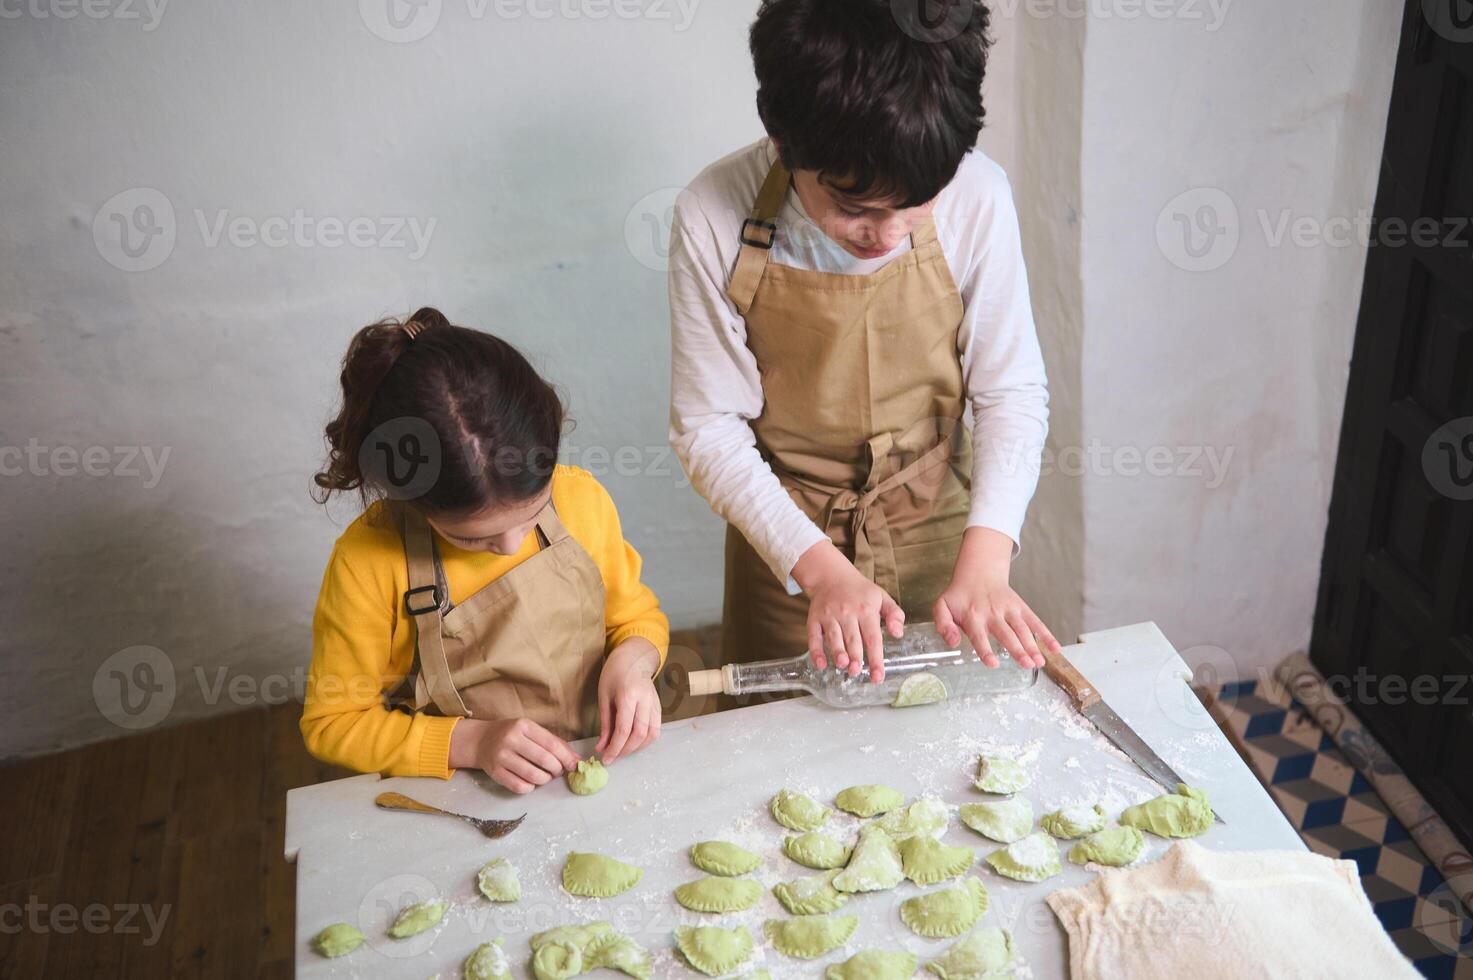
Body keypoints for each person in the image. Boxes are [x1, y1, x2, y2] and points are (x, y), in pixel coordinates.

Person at [668, 0, 1060, 694]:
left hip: (942, 524)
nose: (885, 233)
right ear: (784, 143)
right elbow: (707, 427)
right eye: (853, 207)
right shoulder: (714, 211)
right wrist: (820, 571)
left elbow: (1010, 391)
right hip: (790, 543)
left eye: (916, 203)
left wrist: (986, 562)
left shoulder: (977, 195)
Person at [302, 307, 667, 793]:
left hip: (603, 759)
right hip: (475, 794)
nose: (510, 546)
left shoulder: (581, 499)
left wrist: (634, 661)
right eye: (472, 539)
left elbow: (636, 619)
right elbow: (334, 722)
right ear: (414, 501)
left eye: (533, 514)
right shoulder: (369, 561)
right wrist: (472, 743)